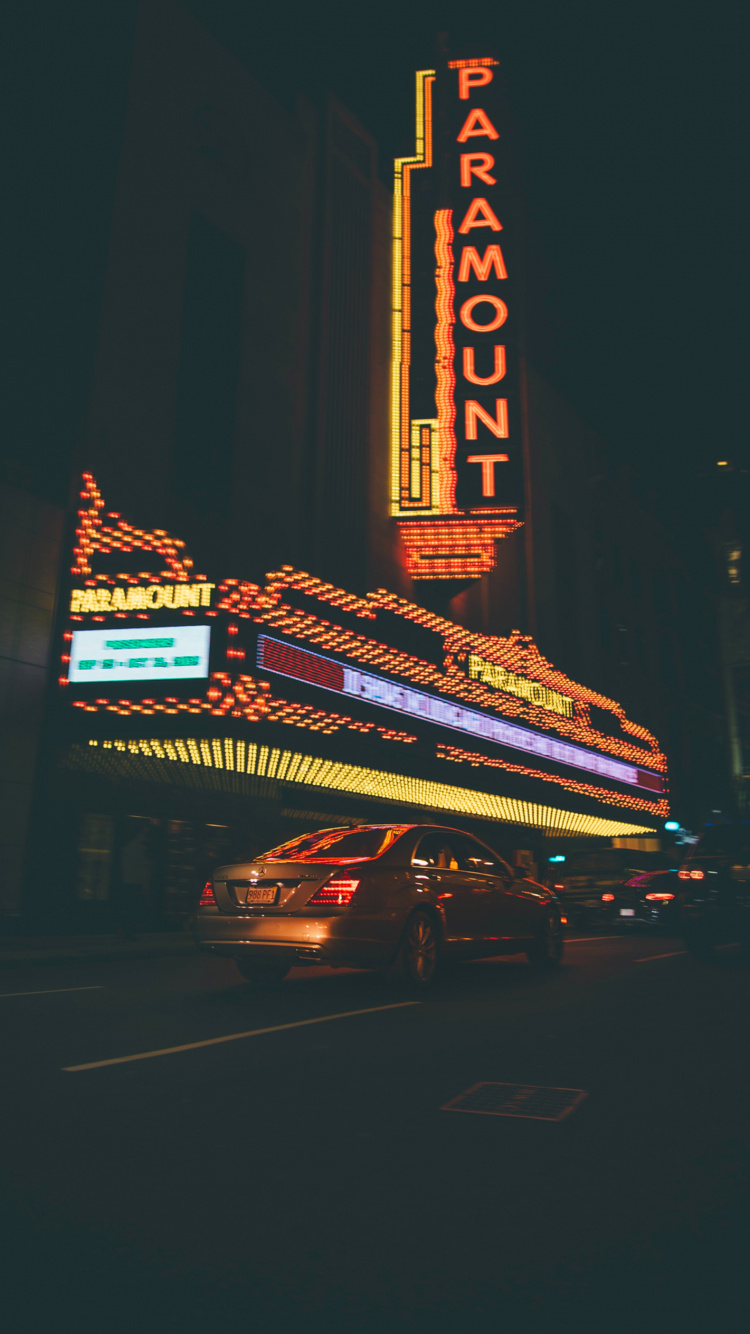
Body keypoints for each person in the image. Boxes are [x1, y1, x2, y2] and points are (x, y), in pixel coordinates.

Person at [115, 823, 150, 939]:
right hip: (136, 882)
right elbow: (142, 868)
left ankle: (124, 930)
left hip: (126, 881)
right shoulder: (140, 849)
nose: (145, 836)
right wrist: (145, 884)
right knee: (134, 909)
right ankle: (129, 932)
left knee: (127, 908)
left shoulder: (126, 847)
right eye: (144, 833)